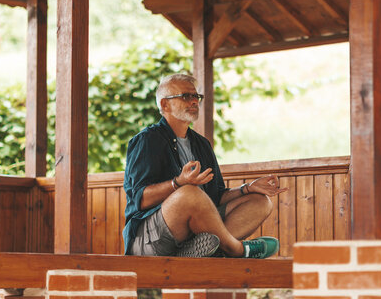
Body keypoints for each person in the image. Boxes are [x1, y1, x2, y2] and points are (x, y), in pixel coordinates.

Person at [123, 73, 287, 258]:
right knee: (189, 193)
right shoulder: (147, 140)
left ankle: (202, 250)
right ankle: (237, 249)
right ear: (164, 104)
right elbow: (141, 199)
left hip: (193, 235)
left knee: (261, 202)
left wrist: (247, 189)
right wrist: (178, 183)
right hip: (148, 240)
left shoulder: (202, 144)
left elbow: (215, 198)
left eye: (196, 96)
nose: (194, 101)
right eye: (186, 96)